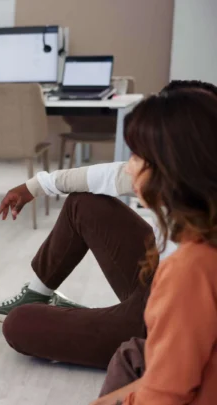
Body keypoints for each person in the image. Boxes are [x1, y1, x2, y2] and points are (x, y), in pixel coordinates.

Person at [0, 79, 217, 370]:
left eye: (138, 155)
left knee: (20, 324)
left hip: (167, 321)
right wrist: (36, 185)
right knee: (84, 202)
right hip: (160, 290)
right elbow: (107, 176)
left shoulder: (197, 255)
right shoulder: (186, 177)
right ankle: (47, 298)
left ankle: (106, 325)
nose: (129, 166)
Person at [89, 84, 217, 404]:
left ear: (170, 168)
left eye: (135, 155)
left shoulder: (191, 268)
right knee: (130, 354)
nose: (129, 166)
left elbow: (165, 397)